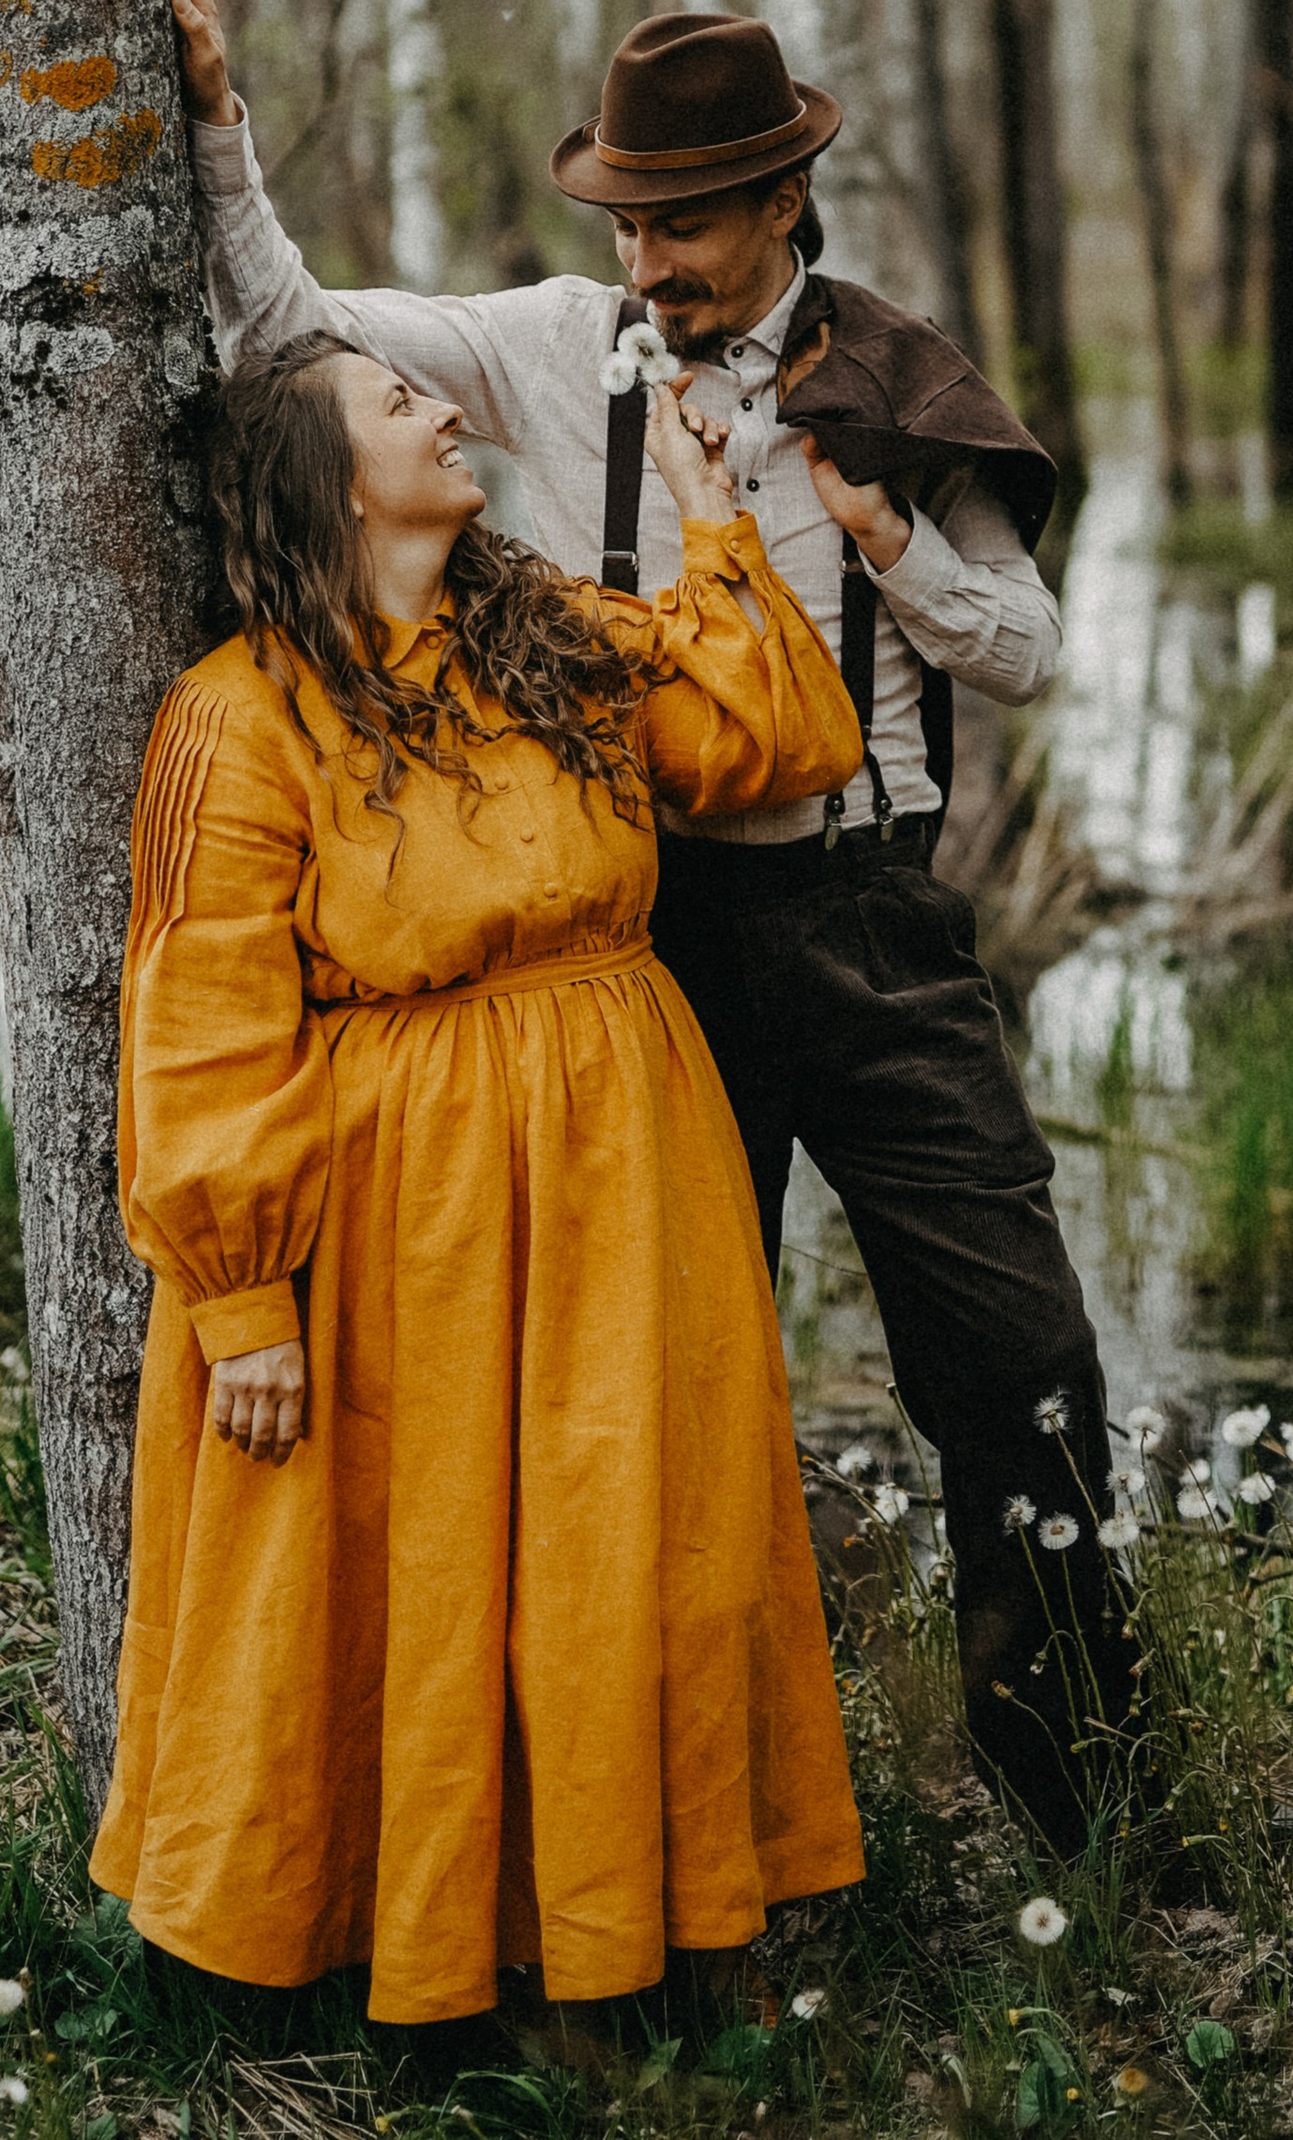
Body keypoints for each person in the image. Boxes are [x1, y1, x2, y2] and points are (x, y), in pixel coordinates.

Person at [160, 0, 1139, 1850]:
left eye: (683, 222)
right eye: (626, 220)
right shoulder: (546, 345)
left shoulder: (902, 379)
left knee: (1018, 1361)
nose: (648, 261)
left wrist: (886, 543)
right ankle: (670, 1833)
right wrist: (213, 126)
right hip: (645, 946)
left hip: (870, 927)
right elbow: (293, 328)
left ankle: (1080, 1817)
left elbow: (1024, 654)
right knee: (652, 1402)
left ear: (782, 201)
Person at [90, 331, 868, 2029]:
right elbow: (200, 1021)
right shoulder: (243, 715)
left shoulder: (550, 639)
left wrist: (708, 516)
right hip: (411, 1213)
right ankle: (397, 1965)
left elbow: (785, 738)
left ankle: (623, 1945)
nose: (446, 409)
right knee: (417, 1570)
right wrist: (241, 1299)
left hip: (627, 1171)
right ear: (325, 484)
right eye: (397, 403)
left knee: (623, 1544)